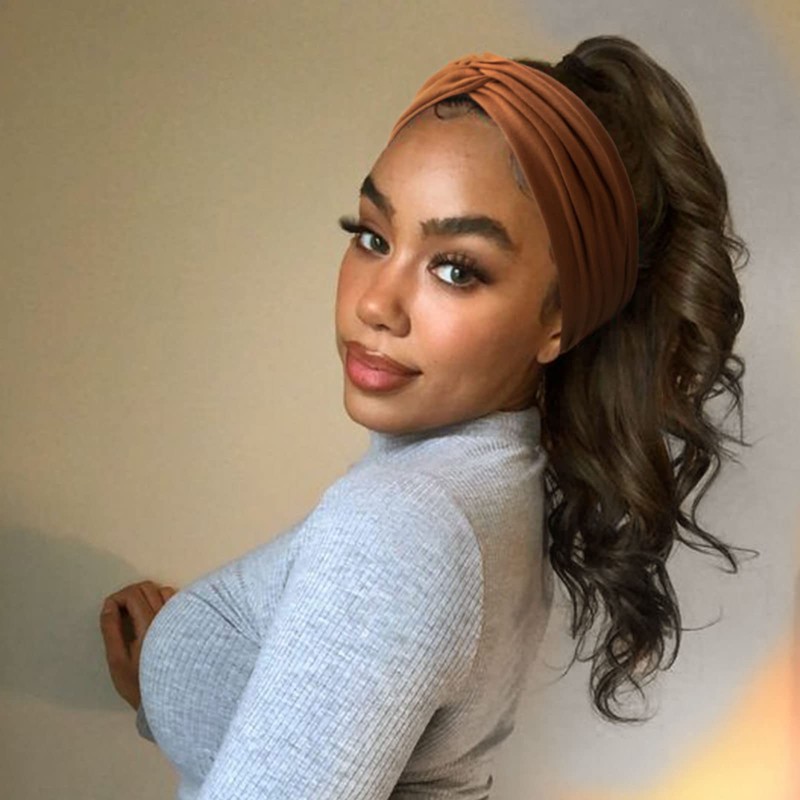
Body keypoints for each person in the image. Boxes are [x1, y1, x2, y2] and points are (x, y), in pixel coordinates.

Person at [99, 35, 748, 799]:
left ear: (558, 321)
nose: (377, 303)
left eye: (456, 268)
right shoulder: (499, 486)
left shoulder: (401, 526)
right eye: (372, 236)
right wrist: (175, 676)